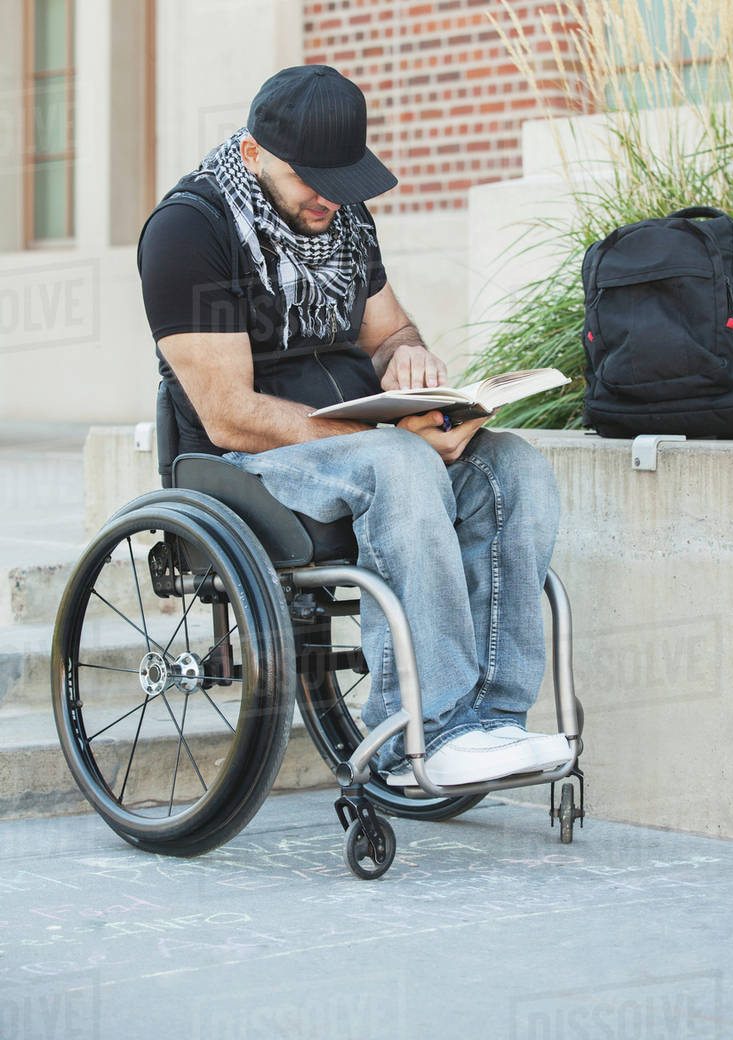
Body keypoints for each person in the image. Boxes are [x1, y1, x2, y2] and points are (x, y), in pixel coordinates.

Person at [137, 64, 569, 786]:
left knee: (514, 466)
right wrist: (392, 440)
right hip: (249, 463)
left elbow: (390, 330)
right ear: (254, 155)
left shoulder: (342, 217)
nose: (332, 197)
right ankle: (421, 730)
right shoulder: (193, 232)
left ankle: (490, 721)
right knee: (400, 467)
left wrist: (411, 361)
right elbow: (230, 414)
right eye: (314, 179)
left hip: (363, 439)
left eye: (344, 179)